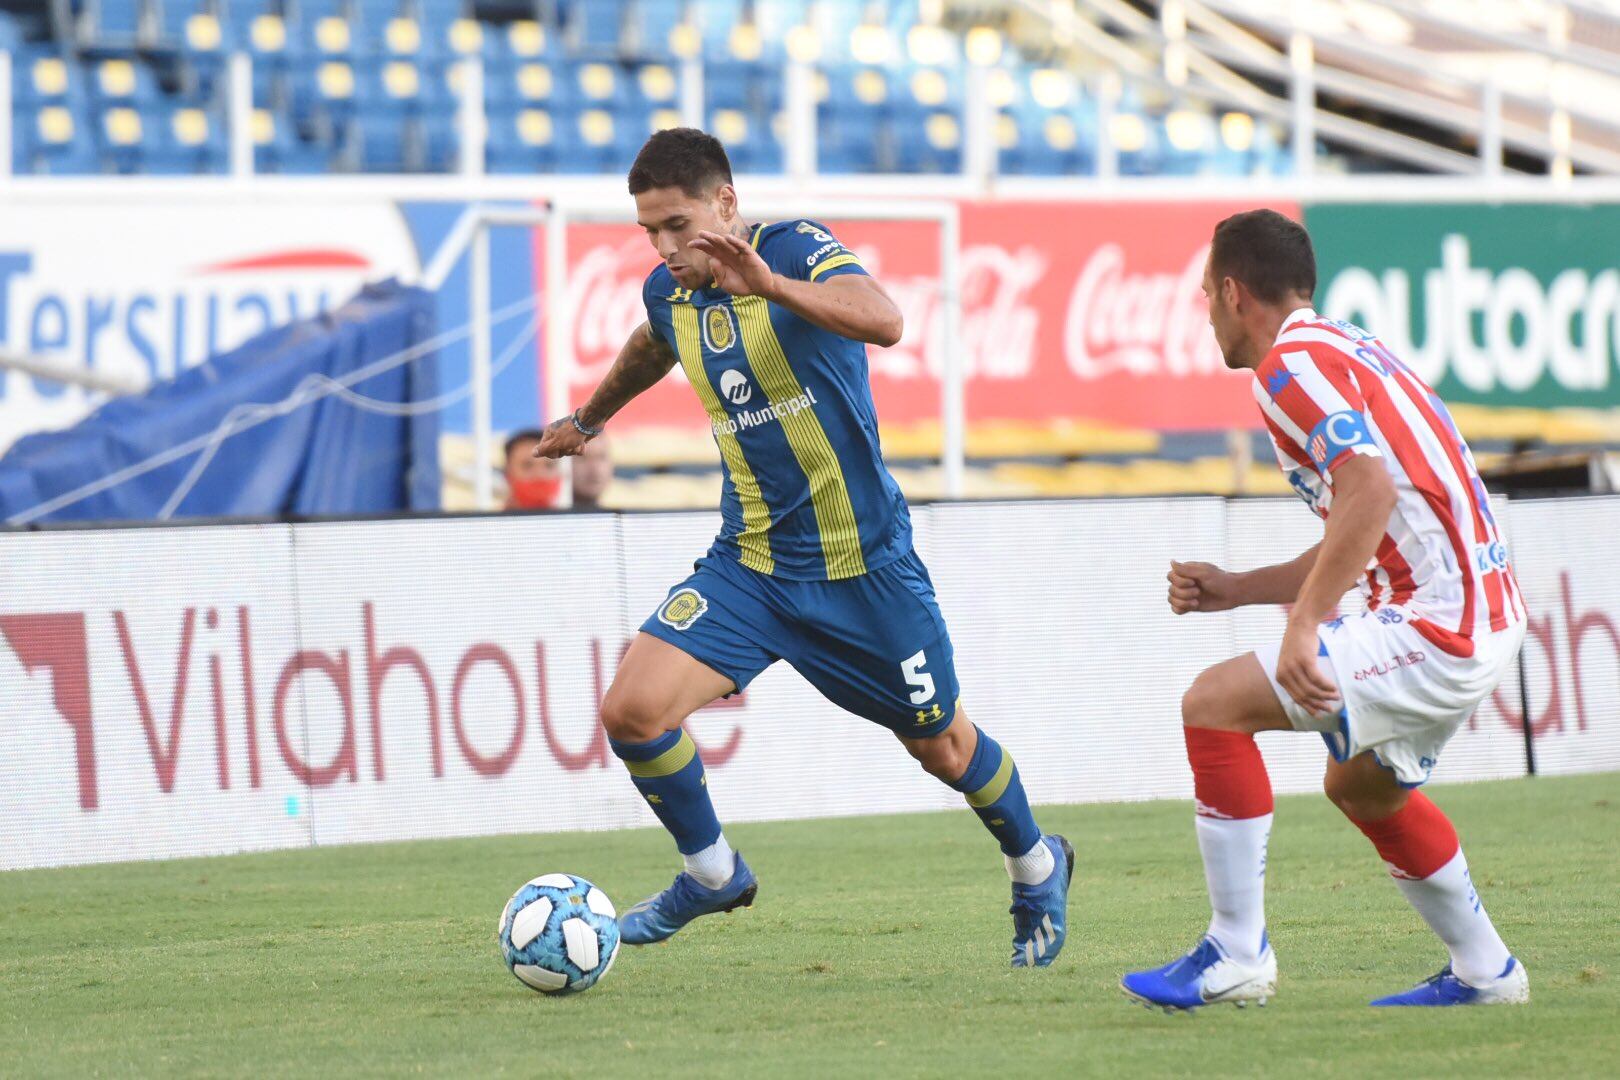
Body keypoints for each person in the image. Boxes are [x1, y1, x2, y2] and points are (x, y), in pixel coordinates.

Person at [533, 128, 1072, 966]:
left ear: (727, 205)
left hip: (866, 570)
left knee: (946, 747)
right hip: (749, 565)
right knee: (632, 711)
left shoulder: (793, 249)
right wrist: (589, 418)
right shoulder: (668, 294)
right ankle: (712, 872)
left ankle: (1038, 864)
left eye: (678, 225)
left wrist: (770, 286)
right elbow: (651, 345)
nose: (666, 247)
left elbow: (886, 320)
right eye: (649, 232)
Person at [1120, 210, 1529, 1010]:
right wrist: (1240, 589)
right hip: (1482, 610)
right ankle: (1488, 972)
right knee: (1361, 785)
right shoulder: (1341, 349)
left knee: (1212, 708)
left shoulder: (1287, 370)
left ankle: (1236, 953)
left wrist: (1304, 625)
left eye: (1206, 295)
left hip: (1440, 618)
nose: (1206, 314)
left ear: (1234, 294)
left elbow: (1367, 493)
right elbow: (1365, 522)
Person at [502, 429, 561, 510]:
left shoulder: (574, 521)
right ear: (507, 473)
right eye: (527, 466)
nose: (540, 474)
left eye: (549, 465)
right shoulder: (491, 522)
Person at [570, 434, 614, 510]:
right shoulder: (547, 518)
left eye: (601, 457)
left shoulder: (618, 519)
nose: (594, 467)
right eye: (582, 458)